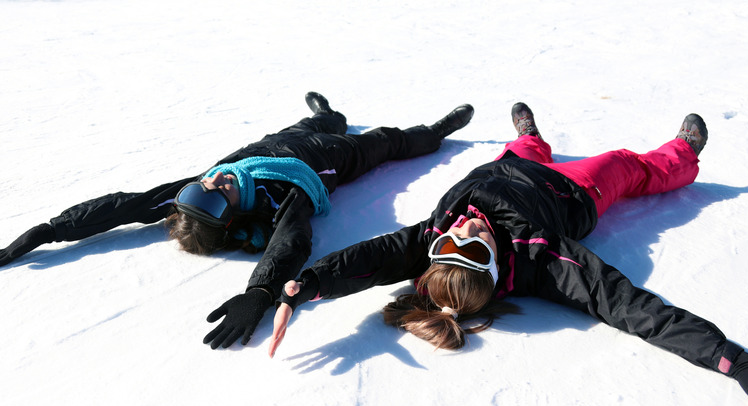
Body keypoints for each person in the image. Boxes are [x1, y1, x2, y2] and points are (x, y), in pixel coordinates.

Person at [268, 102, 748, 406]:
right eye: (470, 247)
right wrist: (738, 364)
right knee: (627, 164)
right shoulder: (543, 259)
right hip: (571, 190)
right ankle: (683, 153)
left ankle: (529, 138)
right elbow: (625, 304)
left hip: (505, 168)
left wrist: (306, 286)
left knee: (524, 152)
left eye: (448, 243)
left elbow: (371, 257)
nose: (463, 229)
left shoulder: (436, 234)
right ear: (493, 267)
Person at [0, 92, 476, 350]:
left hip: (284, 140)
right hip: (329, 160)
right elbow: (290, 242)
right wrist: (260, 293)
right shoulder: (286, 198)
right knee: (385, 142)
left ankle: (329, 114)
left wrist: (51, 230)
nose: (209, 185)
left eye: (194, 193)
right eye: (210, 199)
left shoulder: (205, 184)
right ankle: (433, 133)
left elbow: (126, 204)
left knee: (308, 125)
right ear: (229, 219)